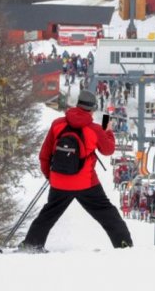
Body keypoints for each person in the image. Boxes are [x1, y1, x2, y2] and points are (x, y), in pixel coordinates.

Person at [20, 90, 132, 251]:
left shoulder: (57, 124)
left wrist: (50, 176)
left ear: (77, 104)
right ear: (92, 109)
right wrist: (107, 130)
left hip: (59, 180)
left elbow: (45, 154)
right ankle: (124, 244)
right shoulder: (95, 129)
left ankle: (31, 244)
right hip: (86, 183)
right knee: (106, 212)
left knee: (48, 214)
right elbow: (108, 150)